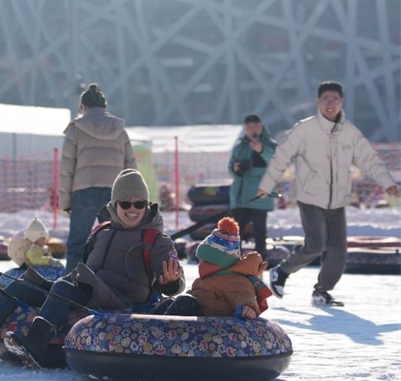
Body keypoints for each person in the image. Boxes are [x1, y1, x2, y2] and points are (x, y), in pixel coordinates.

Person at [0, 169, 185, 368]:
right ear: (114, 205)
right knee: (21, 286)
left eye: (139, 204)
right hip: (86, 289)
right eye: (126, 204)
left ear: (147, 206)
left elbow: (175, 282)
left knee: (63, 286)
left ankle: (36, 344)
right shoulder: (102, 231)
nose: (132, 210)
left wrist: (171, 282)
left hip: (118, 298)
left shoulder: (156, 239)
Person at [258, 81, 399, 306]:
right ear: (318, 102)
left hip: (338, 200)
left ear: (341, 102)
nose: (330, 103)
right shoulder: (305, 129)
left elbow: (368, 159)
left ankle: (322, 291)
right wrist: (267, 184)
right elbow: (282, 156)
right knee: (316, 244)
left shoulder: (349, 132)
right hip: (310, 196)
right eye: (325, 99)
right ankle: (282, 271)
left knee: (338, 250)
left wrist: (387, 182)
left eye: (334, 99)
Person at [58, 83, 136, 272]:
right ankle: (115, 282)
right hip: (115, 194)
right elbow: (131, 166)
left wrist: (65, 202)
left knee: (77, 244)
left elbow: (67, 168)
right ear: (104, 106)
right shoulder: (119, 129)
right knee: (116, 242)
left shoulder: (76, 129)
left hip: (84, 191)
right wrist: (133, 199)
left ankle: (72, 283)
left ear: (83, 107)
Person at [155, 217, 272, 319]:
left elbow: (242, 294)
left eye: (205, 260)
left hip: (213, 321)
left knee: (184, 301)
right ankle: (147, 324)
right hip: (200, 315)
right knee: (170, 302)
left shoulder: (235, 278)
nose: (201, 263)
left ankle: (161, 330)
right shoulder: (209, 277)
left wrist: (248, 307)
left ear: (218, 261)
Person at [228, 114, 277, 259]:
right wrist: (235, 168)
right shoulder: (240, 147)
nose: (253, 130)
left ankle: (259, 262)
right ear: (245, 128)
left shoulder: (270, 145)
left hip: (259, 196)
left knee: (259, 233)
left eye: (256, 126)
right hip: (240, 197)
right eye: (249, 127)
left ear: (261, 126)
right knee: (236, 233)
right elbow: (230, 167)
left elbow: (277, 163)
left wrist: (262, 151)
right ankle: (234, 262)